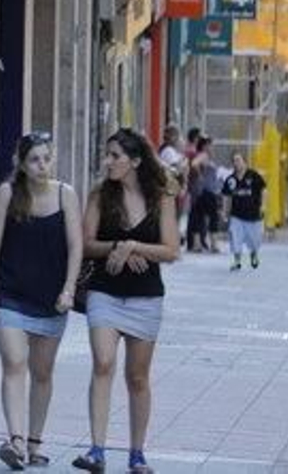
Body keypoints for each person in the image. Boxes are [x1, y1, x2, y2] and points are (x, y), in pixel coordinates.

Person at [74, 129, 179, 474]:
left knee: (137, 377)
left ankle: (137, 454)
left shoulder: (161, 197)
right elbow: (85, 244)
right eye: (107, 155)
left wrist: (134, 247)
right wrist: (116, 247)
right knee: (103, 363)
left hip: (145, 297)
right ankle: (96, 451)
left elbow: (171, 250)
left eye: (115, 156)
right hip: (104, 291)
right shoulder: (100, 194)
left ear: (135, 161)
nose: (108, 161)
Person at [0, 131, 82, 470]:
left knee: (42, 372)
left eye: (46, 159)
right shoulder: (8, 193)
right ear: (22, 164)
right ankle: (16, 441)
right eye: (34, 160)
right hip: (10, 293)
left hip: (51, 298)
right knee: (14, 362)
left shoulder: (66, 194)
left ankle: (35, 442)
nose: (42, 165)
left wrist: (69, 289)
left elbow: (76, 247)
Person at [222, 152, 266, 270]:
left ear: (244, 162)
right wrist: (225, 212)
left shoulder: (254, 176)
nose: (236, 163)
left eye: (238, 160)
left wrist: (263, 206)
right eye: (234, 161)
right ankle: (237, 261)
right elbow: (226, 196)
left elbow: (263, 190)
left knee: (254, 241)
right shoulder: (230, 179)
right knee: (235, 238)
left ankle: (253, 254)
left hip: (253, 215)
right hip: (236, 215)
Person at [184, 137, 218, 253]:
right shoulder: (204, 155)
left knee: (198, 216)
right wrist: (200, 176)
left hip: (202, 191)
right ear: (205, 146)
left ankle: (197, 244)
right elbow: (194, 164)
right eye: (211, 145)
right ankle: (213, 244)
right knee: (212, 217)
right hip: (206, 191)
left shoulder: (204, 156)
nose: (213, 148)